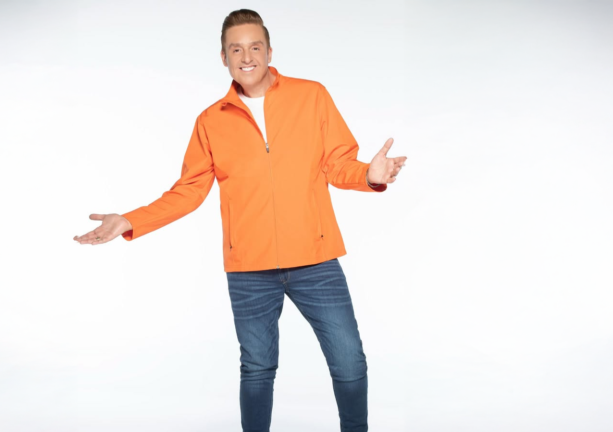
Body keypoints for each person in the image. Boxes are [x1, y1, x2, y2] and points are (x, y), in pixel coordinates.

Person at [73, 9, 407, 432]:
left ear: (269, 51)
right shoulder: (211, 121)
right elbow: (189, 190)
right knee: (257, 369)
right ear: (224, 58)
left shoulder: (311, 96)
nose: (246, 57)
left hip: (316, 259)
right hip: (249, 269)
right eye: (236, 49)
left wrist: (369, 176)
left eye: (254, 47)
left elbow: (337, 164)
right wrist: (130, 221)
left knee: (349, 361)